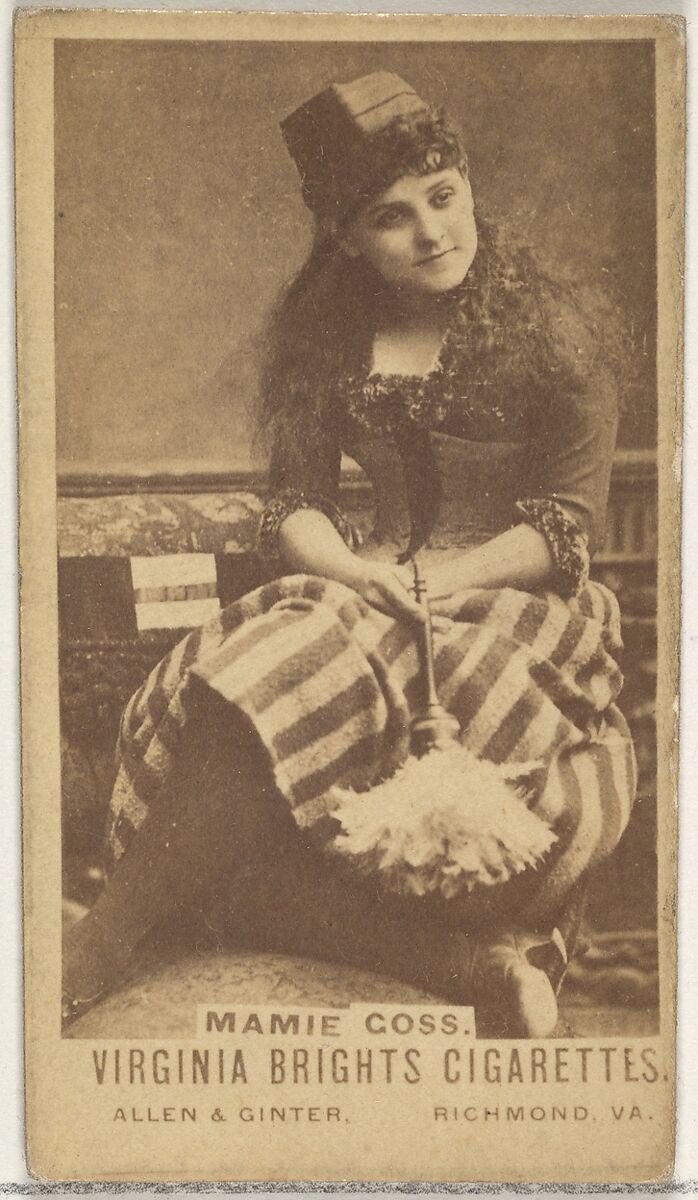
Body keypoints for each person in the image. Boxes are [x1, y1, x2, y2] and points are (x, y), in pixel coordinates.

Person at [62, 71, 636, 1038]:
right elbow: (297, 506)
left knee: (302, 677)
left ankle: (98, 943)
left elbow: (562, 530)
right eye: (390, 218)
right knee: (287, 657)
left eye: (443, 196)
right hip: (364, 588)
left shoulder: (557, 332)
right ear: (345, 237)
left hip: (516, 612)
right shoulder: (328, 337)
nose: (433, 233)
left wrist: (437, 581)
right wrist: (352, 570)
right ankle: (476, 971)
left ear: (466, 178)